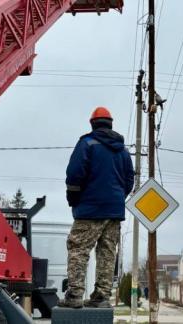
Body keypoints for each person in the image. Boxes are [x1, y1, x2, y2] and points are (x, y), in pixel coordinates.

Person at [58, 107, 135, 308]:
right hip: (114, 211)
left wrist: (74, 198)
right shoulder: (123, 151)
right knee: (107, 253)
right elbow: (129, 181)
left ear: (92, 124)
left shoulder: (86, 144)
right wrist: (117, 198)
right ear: (110, 124)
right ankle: (101, 297)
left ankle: (74, 295)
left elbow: (74, 174)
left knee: (78, 249)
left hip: (89, 209)